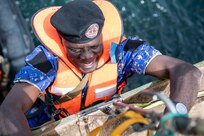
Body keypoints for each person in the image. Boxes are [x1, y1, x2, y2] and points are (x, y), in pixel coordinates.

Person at [0, 0, 202, 135]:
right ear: (61, 42)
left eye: (94, 46)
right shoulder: (46, 61)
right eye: (76, 50)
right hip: (54, 120)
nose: (87, 57)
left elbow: (186, 72)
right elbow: (10, 108)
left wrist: (175, 116)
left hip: (107, 117)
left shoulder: (125, 51)